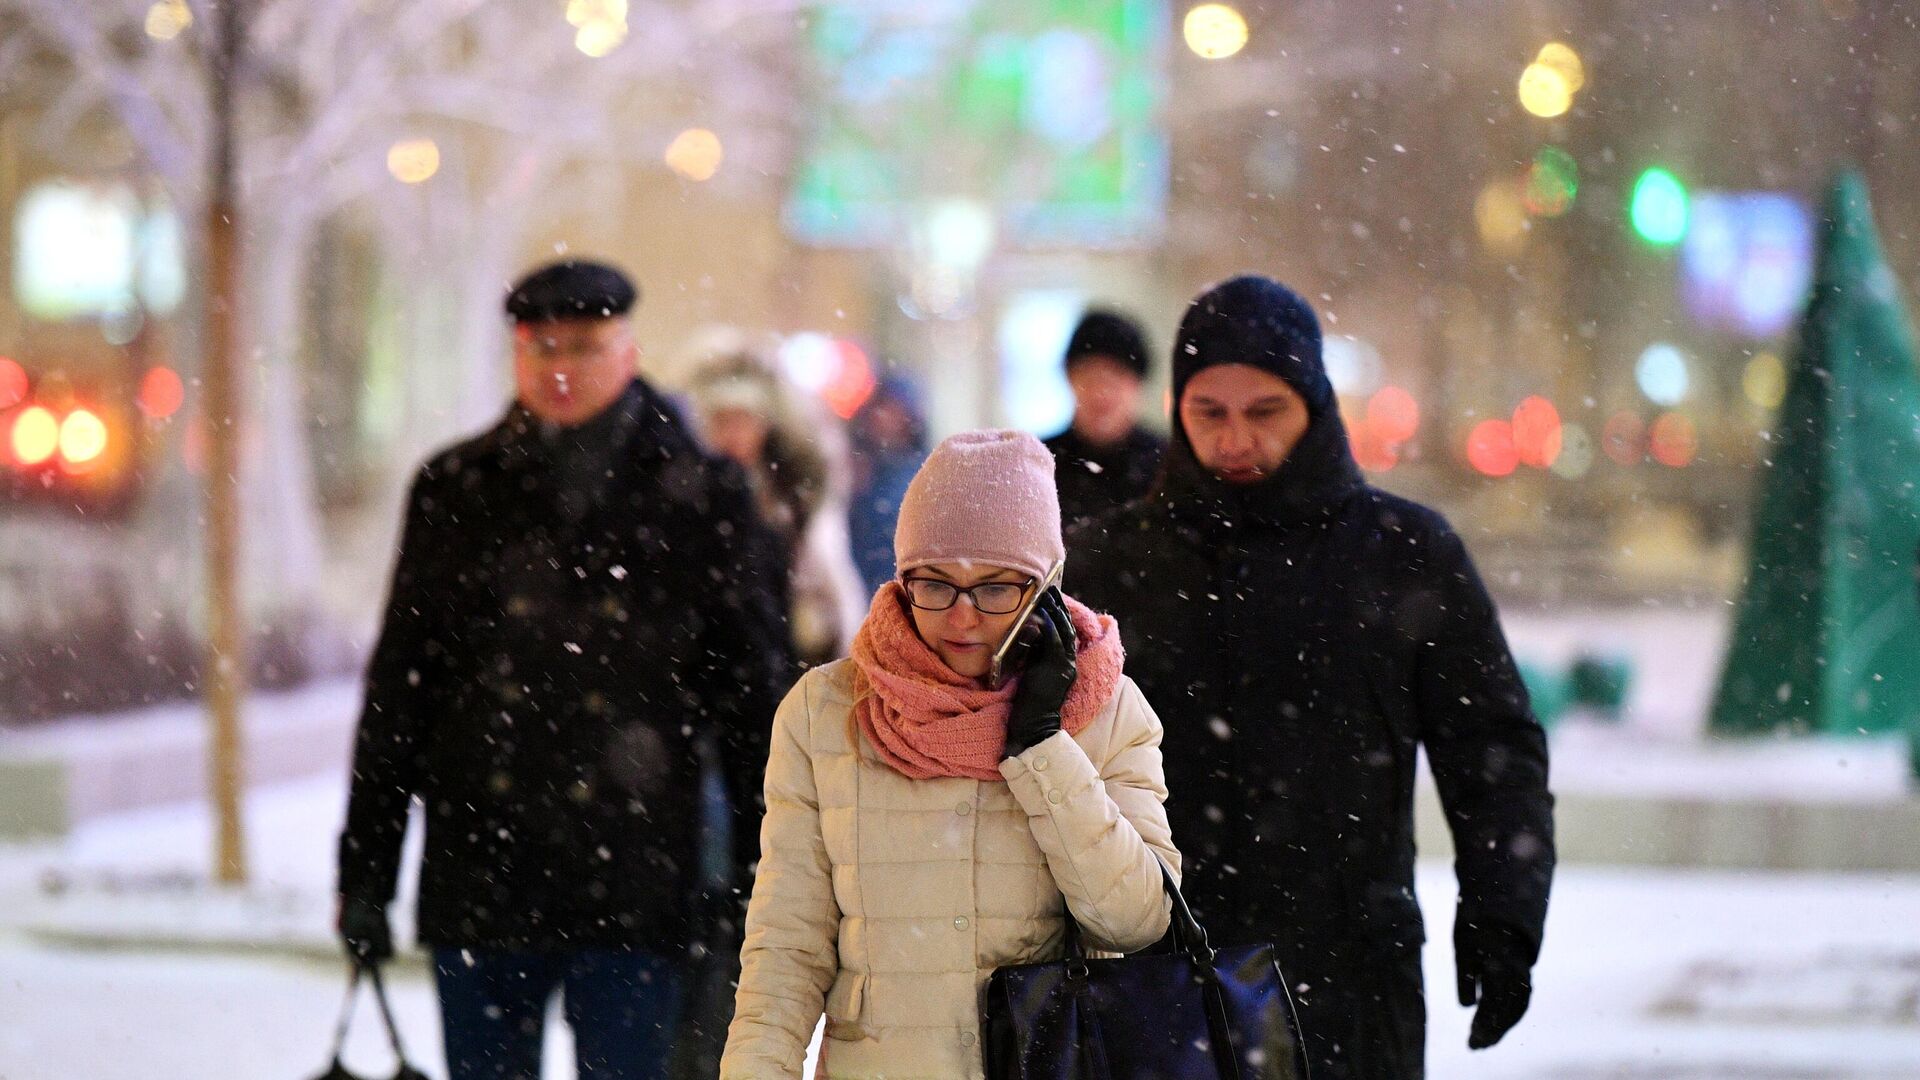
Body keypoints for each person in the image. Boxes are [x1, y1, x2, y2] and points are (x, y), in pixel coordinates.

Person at [1070, 276, 1556, 1080]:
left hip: (1346, 981)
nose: (1235, 441)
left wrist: (1505, 916)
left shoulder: (1403, 554)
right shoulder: (1106, 565)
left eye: (1265, 413)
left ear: (1315, 405)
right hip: (1152, 978)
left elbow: (1492, 751)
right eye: (1209, 413)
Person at [335, 260, 793, 1080]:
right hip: (484, 866)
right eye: (538, 344)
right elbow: (402, 687)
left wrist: (770, 863)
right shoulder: (455, 488)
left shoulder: (702, 495)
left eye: (583, 345)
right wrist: (366, 869)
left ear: (628, 349)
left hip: (637, 873)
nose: (559, 366)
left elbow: (750, 693)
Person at [720, 430, 1179, 1078]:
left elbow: (1136, 920)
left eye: (996, 589)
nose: (962, 618)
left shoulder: (1104, 710)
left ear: (1046, 585)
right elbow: (787, 948)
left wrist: (1043, 745)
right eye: (933, 584)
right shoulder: (825, 713)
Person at [687, 350, 868, 667]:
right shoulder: (690, 494)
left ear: (765, 423)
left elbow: (827, 580)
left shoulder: (791, 496)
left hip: (783, 654)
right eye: (721, 420)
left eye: (742, 419)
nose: (733, 434)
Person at [1043, 309, 1168, 527]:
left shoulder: (1169, 464)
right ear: (1070, 378)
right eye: (1090, 375)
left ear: (1137, 384)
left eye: (1116, 375)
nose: (1102, 391)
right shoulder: (1041, 464)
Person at [846, 374, 929, 595]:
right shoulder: (859, 468)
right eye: (879, 408)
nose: (882, 418)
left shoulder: (922, 471)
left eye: (892, 409)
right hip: (862, 585)